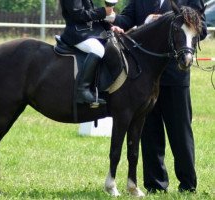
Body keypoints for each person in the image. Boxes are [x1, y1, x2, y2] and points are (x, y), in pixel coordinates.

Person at [109, 0, 207, 193]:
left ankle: (187, 185)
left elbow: (201, 28)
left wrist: (166, 21)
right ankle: (155, 185)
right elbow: (126, 18)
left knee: (180, 133)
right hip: (144, 77)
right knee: (149, 133)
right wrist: (112, 18)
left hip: (175, 75)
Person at [59, 0, 114, 105]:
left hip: (87, 31)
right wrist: (103, 11)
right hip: (76, 33)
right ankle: (82, 90)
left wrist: (110, 27)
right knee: (98, 49)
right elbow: (78, 14)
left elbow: (90, 13)